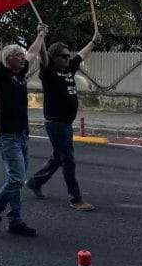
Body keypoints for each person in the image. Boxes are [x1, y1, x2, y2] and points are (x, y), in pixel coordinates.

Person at [0, 11, 48, 237]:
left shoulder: (21, 72)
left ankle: (15, 220)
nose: (23, 58)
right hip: (8, 135)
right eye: (18, 55)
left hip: (22, 133)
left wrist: (40, 34)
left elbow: (33, 51)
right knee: (17, 178)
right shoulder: (0, 73)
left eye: (21, 56)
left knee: (16, 179)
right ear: (8, 58)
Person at [25, 33, 101, 211]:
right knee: (68, 159)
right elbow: (43, 57)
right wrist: (41, 35)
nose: (68, 58)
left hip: (66, 123)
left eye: (68, 55)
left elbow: (81, 55)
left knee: (58, 157)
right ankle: (75, 198)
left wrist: (92, 41)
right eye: (64, 56)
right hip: (56, 122)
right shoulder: (49, 71)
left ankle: (34, 182)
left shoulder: (68, 68)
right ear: (54, 58)